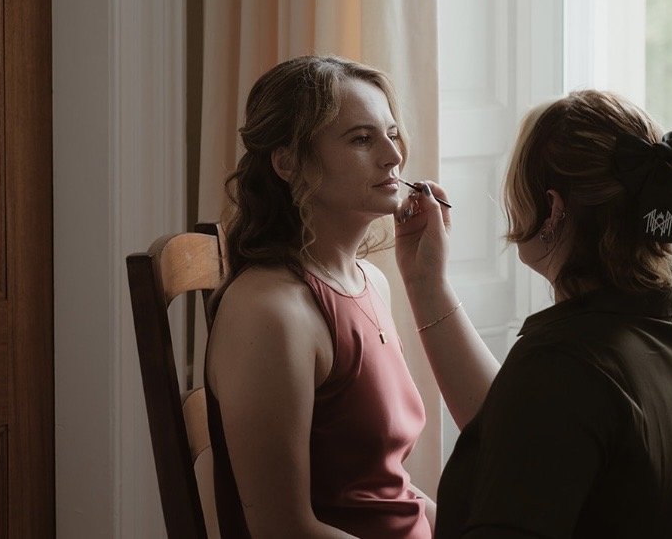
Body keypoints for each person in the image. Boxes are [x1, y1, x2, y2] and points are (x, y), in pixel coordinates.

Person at [401, 89, 672, 538]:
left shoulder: (564, 364)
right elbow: (522, 434)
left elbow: (541, 418)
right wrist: (425, 285)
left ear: (552, 209)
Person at [205, 55, 497, 539]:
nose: (393, 155)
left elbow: (389, 490)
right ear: (288, 162)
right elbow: (283, 530)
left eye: (392, 133)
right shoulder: (270, 313)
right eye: (362, 139)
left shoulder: (369, 281)